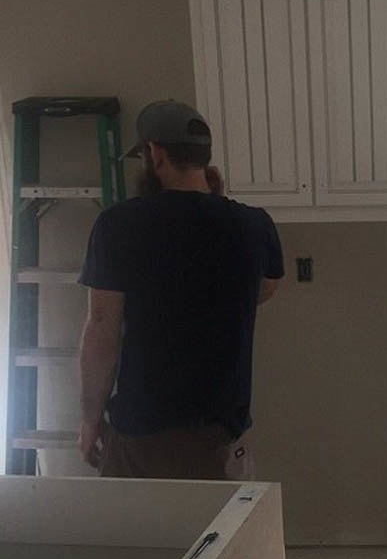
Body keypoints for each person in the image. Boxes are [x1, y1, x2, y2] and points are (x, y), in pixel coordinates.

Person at [78, 100, 284, 479]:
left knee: (141, 536)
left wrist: (90, 420)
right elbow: (263, 290)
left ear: (155, 154)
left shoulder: (119, 225)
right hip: (222, 434)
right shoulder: (253, 225)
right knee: (223, 537)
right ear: (204, 159)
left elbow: (101, 328)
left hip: (143, 433)